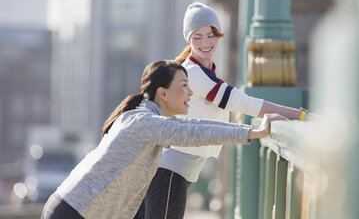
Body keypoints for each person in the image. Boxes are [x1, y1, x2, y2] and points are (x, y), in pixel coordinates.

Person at [41, 60, 287, 219]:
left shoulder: (150, 121)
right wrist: (253, 132)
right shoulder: (143, 122)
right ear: (163, 93)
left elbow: (194, 126)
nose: (190, 93)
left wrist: (249, 131)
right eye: (184, 85)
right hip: (74, 211)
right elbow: (193, 133)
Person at [138, 2, 315, 219]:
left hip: (172, 172)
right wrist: (304, 116)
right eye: (198, 37)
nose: (205, 42)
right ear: (189, 39)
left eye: (211, 35)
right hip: (168, 173)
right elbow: (246, 104)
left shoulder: (203, 72)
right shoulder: (194, 74)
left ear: (219, 35)